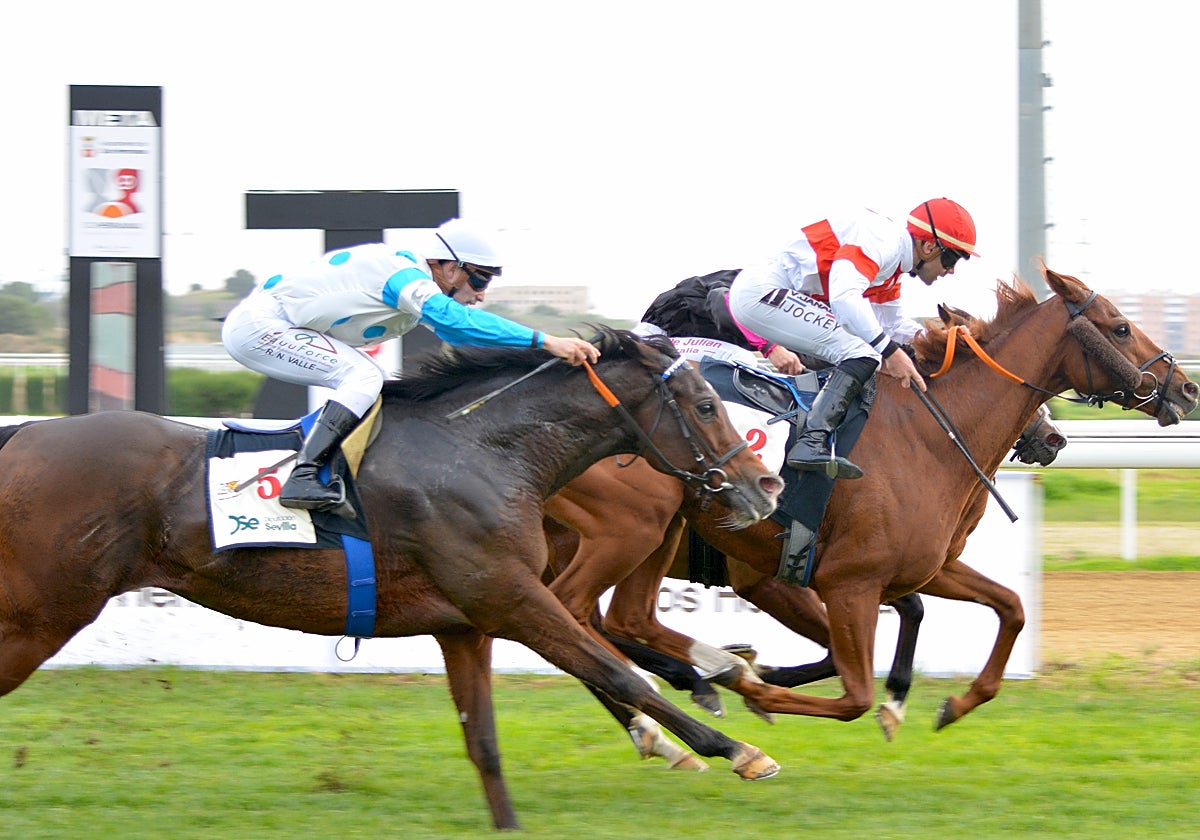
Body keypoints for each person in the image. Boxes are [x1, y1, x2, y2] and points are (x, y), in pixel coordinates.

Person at [222, 218, 599, 513]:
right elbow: (456, 323)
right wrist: (546, 341)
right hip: (261, 325)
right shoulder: (406, 276)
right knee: (365, 376)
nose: (482, 293)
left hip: (275, 324)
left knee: (372, 382)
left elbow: (462, 336)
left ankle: (332, 470)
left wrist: (541, 358)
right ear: (449, 267)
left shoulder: (418, 283)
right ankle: (303, 477)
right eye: (479, 278)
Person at [728, 198, 978, 483]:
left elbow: (892, 325)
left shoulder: (893, 266)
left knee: (866, 349)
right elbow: (844, 298)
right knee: (865, 353)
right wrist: (891, 352)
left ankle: (815, 434)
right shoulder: (883, 241)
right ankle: (811, 442)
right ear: (929, 246)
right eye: (952, 258)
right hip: (763, 294)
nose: (952, 270)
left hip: (772, 297)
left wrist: (946, 339)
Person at [633, 269, 805, 374]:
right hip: (660, 331)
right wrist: (770, 348)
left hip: (680, 336)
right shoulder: (764, 285)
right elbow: (721, 303)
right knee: (741, 361)